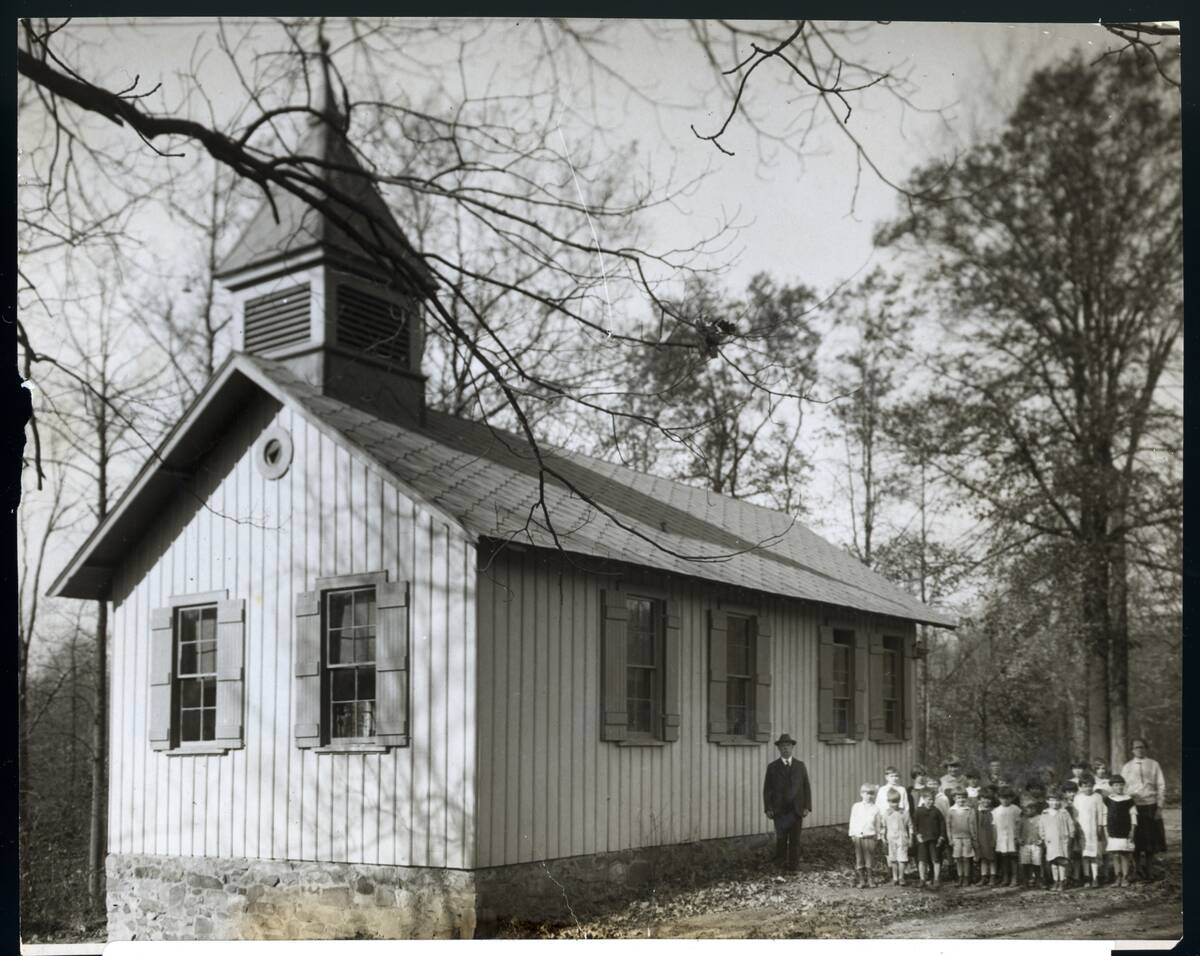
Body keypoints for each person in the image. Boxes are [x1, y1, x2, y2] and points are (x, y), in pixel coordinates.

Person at [763, 733, 812, 873]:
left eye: (788, 746)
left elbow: (806, 787)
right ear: (778, 749)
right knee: (781, 839)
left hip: (796, 810)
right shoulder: (772, 767)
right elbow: (767, 790)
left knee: (795, 840)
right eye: (782, 746)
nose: (785, 749)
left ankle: (793, 867)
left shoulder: (800, 766)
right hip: (780, 811)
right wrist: (768, 808)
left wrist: (807, 806)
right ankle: (780, 865)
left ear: (792, 748)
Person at [1120, 738, 1167, 881]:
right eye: (1136, 748)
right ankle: (1137, 869)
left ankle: (1149, 869)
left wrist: (1159, 807)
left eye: (1142, 747)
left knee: (1150, 840)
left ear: (1146, 748)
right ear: (1132, 750)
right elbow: (1123, 787)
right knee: (1136, 839)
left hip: (1151, 805)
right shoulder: (1127, 767)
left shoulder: (1154, 764)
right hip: (1134, 806)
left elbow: (1161, 786)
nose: (1139, 750)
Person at [1103, 774, 1138, 888]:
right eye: (1116, 785)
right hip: (1112, 830)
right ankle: (1117, 877)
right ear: (1112, 787)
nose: (1119, 787)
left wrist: (1132, 829)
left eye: (1121, 785)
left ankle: (1125, 877)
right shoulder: (1108, 800)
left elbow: (1133, 815)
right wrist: (1105, 830)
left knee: (1124, 854)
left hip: (1125, 830)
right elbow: (1104, 816)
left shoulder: (1129, 800)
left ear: (1124, 786)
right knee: (1115, 854)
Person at [1073, 773, 1106, 888]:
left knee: (1094, 855)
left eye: (1090, 786)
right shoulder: (1077, 798)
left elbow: (1100, 813)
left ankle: (1095, 877)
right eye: (1085, 786)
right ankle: (1086, 877)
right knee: (1085, 855)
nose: (1088, 788)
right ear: (1080, 787)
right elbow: (1075, 814)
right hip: (1082, 830)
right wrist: (1076, 828)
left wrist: (1100, 826)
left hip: (1093, 829)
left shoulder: (1097, 797)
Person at [1039, 791, 1076, 892]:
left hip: (1062, 841)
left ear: (1059, 801)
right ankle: (1056, 881)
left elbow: (1071, 825)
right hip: (1050, 841)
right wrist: (1043, 838)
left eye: (1056, 800)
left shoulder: (1064, 812)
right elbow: (1041, 827)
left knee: (1062, 861)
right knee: (1053, 862)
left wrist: (1070, 836)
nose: (1054, 803)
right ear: (1048, 801)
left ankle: (1062, 881)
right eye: (1052, 800)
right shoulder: (1045, 813)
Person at [911, 787, 947, 889]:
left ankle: (936, 879)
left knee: (935, 859)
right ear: (923, 799)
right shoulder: (919, 811)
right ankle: (922, 879)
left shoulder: (936, 811)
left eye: (932, 800)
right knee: (922, 860)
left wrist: (941, 837)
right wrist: (917, 835)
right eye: (928, 799)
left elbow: (942, 824)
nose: (931, 802)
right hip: (922, 839)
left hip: (934, 839)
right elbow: (914, 825)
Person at [848, 783, 882, 888]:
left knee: (869, 858)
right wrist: (852, 834)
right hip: (858, 836)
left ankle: (870, 879)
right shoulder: (856, 806)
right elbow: (852, 821)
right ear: (861, 794)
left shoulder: (876, 808)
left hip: (870, 836)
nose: (869, 796)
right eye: (866, 793)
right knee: (859, 858)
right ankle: (862, 880)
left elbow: (877, 823)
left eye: (871, 794)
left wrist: (878, 836)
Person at [947, 790, 978, 887]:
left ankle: (966, 877)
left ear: (966, 798)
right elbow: (948, 826)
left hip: (967, 837)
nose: (961, 800)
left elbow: (973, 824)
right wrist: (950, 838)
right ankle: (959, 877)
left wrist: (974, 838)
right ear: (954, 799)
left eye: (963, 798)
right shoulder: (951, 810)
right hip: (956, 838)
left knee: (966, 858)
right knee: (958, 858)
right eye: (958, 798)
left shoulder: (969, 810)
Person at [881, 789, 913, 886]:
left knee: (902, 858)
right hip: (891, 837)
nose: (894, 804)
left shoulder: (904, 813)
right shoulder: (886, 813)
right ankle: (895, 877)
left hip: (902, 837)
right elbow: (883, 826)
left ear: (899, 801)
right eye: (891, 802)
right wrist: (883, 837)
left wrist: (911, 838)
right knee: (893, 858)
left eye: (896, 802)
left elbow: (910, 826)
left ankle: (901, 877)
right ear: (888, 801)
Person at [993, 787, 1021, 887]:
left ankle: (1015, 878)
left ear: (1012, 798)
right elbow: (995, 826)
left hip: (1012, 837)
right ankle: (1005, 878)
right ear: (998, 798)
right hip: (1001, 838)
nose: (1005, 800)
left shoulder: (1016, 809)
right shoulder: (996, 811)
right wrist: (995, 839)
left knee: (1013, 858)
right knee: (1004, 858)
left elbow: (1019, 824)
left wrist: (1018, 837)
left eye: (1008, 798)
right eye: (1002, 798)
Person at [1018, 802, 1044, 888]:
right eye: (1025, 810)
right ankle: (1026, 880)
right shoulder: (1022, 819)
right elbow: (1017, 830)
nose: (1027, 811)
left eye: (1030, 809)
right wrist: (1019, 839)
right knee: (1025, 863)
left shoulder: (1040, 818)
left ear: (1035, 809)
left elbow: (1044, 829)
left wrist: (1042, 840)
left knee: (1037, 863)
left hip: (1036, 844)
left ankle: (1038, 880)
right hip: (1025, 844)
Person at [975, 793, 998, 886]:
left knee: (992, 858)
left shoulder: (994, 811)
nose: (986, 801)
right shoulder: (976, 811)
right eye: (983, 798)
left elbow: (996, 826)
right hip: (980, 836)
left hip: (991, 836)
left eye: (988, 799)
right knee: (983, 858)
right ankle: (983, 877)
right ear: (979, 800)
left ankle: (993, 877)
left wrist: (995, 839)